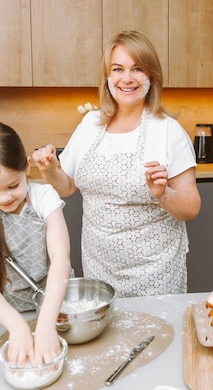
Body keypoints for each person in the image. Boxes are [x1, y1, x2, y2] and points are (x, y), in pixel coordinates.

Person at [32, 30, 201, 298]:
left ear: (151, 77)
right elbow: (67, 187)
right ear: (107, 77)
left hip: (155, 270)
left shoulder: (168, 130)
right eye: (118, 69)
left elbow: (191, 207)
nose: (127, 78)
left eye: (137, 69)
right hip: (99, 265)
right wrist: (50, 170)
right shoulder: (90, 124)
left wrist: (163, 193)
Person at [0, 122, 71, 367]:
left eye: (13, 186)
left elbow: (61, 260)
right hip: (13, 311)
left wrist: (46, 325)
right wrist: (17, 327)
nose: (5, 197)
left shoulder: (44, 198)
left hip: (56, 304)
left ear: (27, 167)